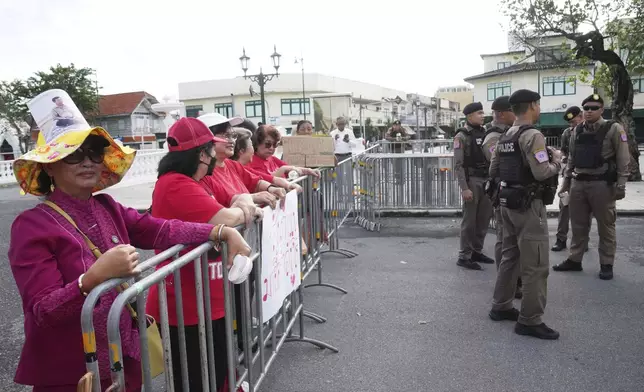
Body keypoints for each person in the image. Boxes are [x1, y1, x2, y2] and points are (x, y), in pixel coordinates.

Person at [8, 94, 251, 391]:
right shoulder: (32, 226)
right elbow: (42, 311)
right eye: (73, 154)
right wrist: (91, 279)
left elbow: (162, 230)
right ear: (48, 166)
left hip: (122, 358)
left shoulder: (107, 206)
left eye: (94, 152)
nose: (86, 161)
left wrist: (219, 232)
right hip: (72, 373)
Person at [148, 117, 258, 392]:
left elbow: (237, 196)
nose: (215, 157)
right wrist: (243, 206)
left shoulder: (200, 181)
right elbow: (225, 215)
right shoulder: (175, 184)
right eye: (212, 150)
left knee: (219, 371)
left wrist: (242, 201)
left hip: (207, 300)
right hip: (186, 306)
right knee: (197, 380)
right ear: (201, 154)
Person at [488, 89, 561, 340]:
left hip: (507, 203)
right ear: (532, 105)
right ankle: (530, 320)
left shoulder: (505, 135)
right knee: (536, 265)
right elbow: (542, 172)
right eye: (538, 105)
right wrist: (558, 161)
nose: (539, 109)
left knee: (510, 257)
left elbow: (494, 169)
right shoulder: (533, 135)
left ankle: (501, 306)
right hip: (528, 206)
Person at [553, 94, 630, 280]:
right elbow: (571, 158)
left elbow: (623, 159)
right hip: (579, 184)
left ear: (602, 110)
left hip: (602, 184)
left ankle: (606, 264)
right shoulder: (577, 130)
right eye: (586, 108)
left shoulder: (613, 128)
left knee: (606, 226)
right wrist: (565, 183)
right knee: (578, 226)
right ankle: (574, 259)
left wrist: (621, 185)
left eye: (594, 108)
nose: (589, 111)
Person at [482, 96, 522, 299]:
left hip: (510, 192)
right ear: (502, 113)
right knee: (503, 239)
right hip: (501, 191)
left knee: (511, 239)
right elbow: (497, 161)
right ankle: (506, 281)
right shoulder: (493, 136)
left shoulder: (507, 132)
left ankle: (514, 278)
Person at [454, 101, 495, 270]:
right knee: (470, 221)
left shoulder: (485, 133)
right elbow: (458, 165)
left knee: (484, 218)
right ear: (470, 116)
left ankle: (476, 251)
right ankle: (464, 256)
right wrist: (464, 188)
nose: (482, 115)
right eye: (479, 113)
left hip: (485, 180)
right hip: (472, 181)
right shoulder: (461, 136)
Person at [551, 106, 584, 251]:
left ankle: (582, 241)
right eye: (569, 123)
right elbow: (563, 150)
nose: (571, 125)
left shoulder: (593, 131)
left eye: (573, 121)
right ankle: (561, 239)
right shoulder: (567, 133)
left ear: (581, 116)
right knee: (564, 207)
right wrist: (563, 157)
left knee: (584, 212)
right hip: (570, 176)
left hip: (587, 177)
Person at [248, 124, 320, 179]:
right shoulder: (250, 162)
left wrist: (309, 171)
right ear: (257, 143)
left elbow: (292, 168)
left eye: (275, 144)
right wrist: (283, 169)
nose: (272, 148)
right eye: (268, 144)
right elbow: (263, 181)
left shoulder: (272, 159)